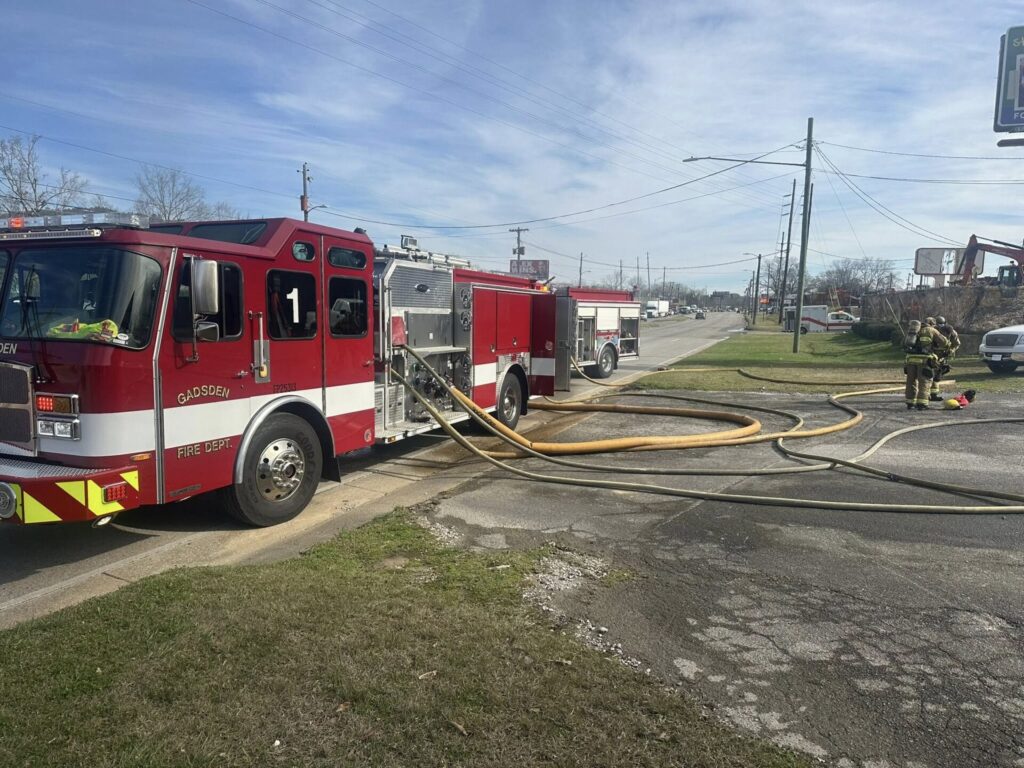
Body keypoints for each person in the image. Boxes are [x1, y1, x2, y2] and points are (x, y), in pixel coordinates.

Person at [903, 319, 948, 410]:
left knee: (911, 382)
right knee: (924, 382)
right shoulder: (931, 330)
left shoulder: (912, 331)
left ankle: (910, 403)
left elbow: (903, 343)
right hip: (924, 361)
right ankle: (922, 404)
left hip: (910, 360)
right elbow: (944, 342)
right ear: (931, 324)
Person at [929, 316, 961, 401]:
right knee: (929, 374)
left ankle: (933, 394)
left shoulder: (950, 331)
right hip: (932, 355)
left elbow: (956, 343)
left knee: (938, 374)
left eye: (942, 324)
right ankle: (930, 394)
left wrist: (950, 351)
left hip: (943, 355)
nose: (940, 326)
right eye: (939, 324)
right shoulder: (932, 330)